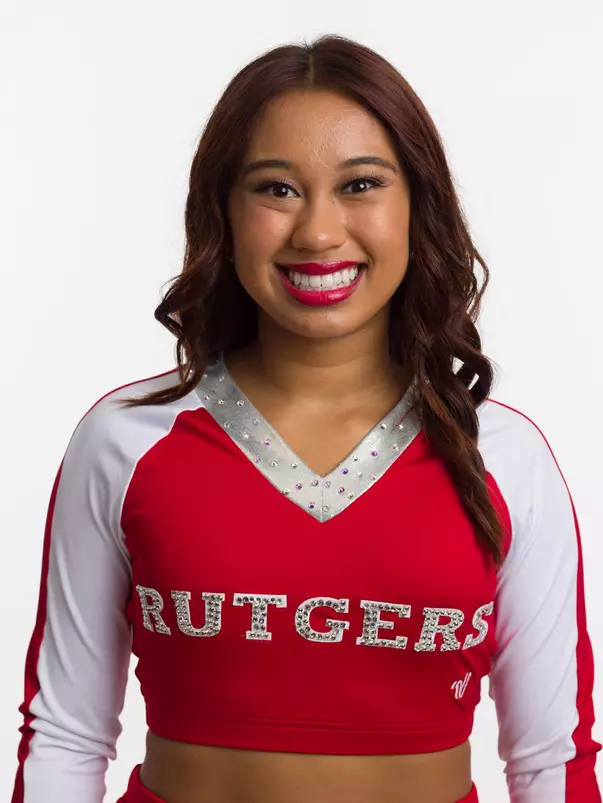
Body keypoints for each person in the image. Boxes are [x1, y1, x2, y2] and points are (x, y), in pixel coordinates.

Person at [11, 33, 601, 803]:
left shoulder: (503, 456)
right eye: (277, 189)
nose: (318, 232)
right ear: (222, 212)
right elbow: (64, 734)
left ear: (417, 206)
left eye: (360, 184)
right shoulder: (125, 439)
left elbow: (552, 758)